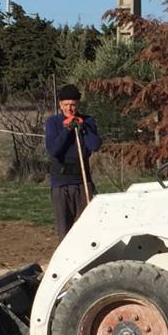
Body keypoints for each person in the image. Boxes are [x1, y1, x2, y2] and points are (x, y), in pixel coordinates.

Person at [44, 84, 100, 239]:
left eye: (73, 105)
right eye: (66, 105)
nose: (69, 108)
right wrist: (67, 129)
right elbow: (53, 151)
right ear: (60, 105)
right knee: (65, 230)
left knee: (88, 227)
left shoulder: (88, 121)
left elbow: (95, 146)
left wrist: (83, 129)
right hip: (61, 184)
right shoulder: (53, 123)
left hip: (83, 182)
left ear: (78, 105)